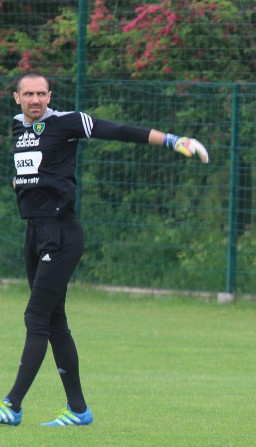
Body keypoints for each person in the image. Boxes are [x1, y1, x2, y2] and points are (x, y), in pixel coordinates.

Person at [0, 72, 208, 427]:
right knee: (53, 321)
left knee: (35, 317)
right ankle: (78, 410)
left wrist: (172, 140)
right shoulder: (19, 129)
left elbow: (121, 130)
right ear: (16, 98)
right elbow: (32, 171)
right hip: (34, 232)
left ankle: (12, 404)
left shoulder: (67, 123)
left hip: (62, 234)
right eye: (28, 94)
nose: (35, 100)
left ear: (50, 95)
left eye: (41, 94)